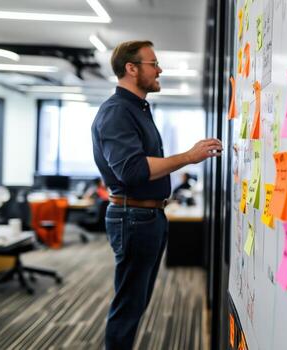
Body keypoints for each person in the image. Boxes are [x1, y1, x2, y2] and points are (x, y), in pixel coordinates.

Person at [91, 40, 222, 350]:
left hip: (146, 216)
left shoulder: (137, 109)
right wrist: (188, 157)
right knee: (128, 306)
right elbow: (133, 171)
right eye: (154, 63)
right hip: (133, 217)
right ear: (131, 69)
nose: (160, 69)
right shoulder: (117, 112)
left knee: (136, 303)